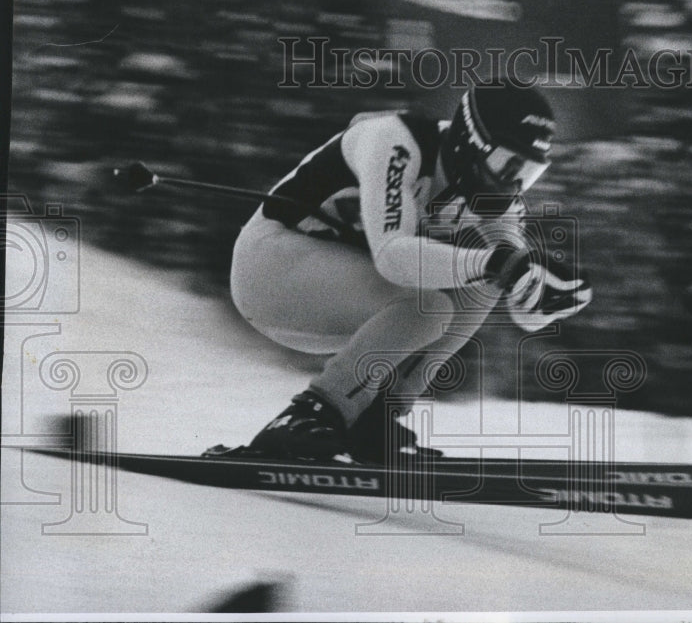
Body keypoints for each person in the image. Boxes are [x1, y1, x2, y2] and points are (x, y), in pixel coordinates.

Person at [227, 80, 592, 463]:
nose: (514, 183)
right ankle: (309, 414)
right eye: (507, 163)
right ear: (471, 140)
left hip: (337, 292)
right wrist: (498, 264)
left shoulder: (497, 195)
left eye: (530, 172)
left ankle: (374, 419)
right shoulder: (396, 142)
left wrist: (539, 299)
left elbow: (511, 282)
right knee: (431, 304)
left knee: (481, 285)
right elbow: (391, 256)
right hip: (268, 269)